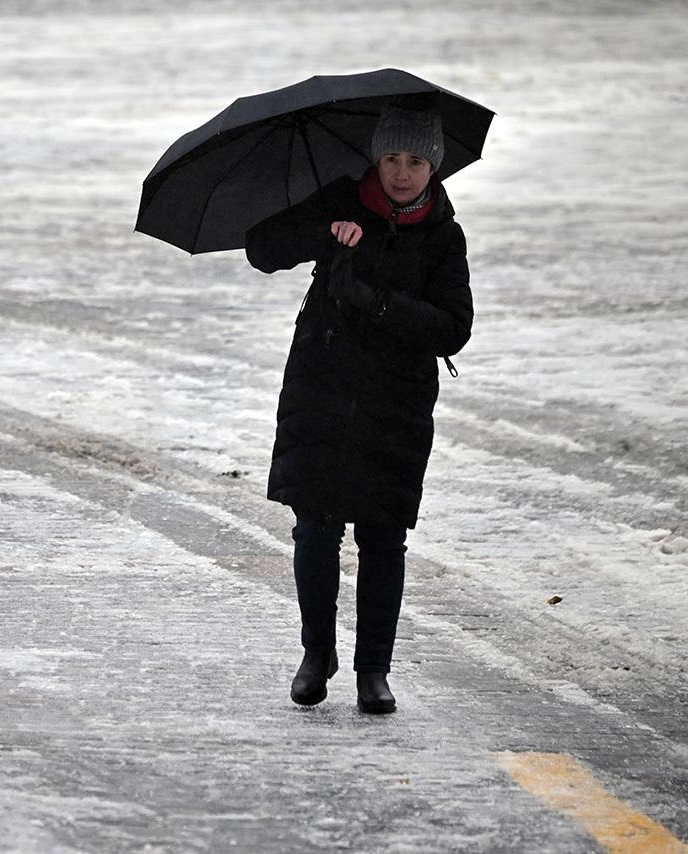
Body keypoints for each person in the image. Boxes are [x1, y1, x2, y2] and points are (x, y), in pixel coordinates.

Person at [244, 100, 473, 714]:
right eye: (393, 157)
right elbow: (261, 248)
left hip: (394, 404)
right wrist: (325, 233)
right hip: (320, 391)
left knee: (383, 537)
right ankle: (316, 654)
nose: (402, 172)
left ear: (434, 167)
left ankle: (375, 671)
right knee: (314, 529)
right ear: (378, 156)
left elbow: (454, 328)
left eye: (417, 160)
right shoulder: (339, 202)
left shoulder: (444, 237)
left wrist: (374, 302)